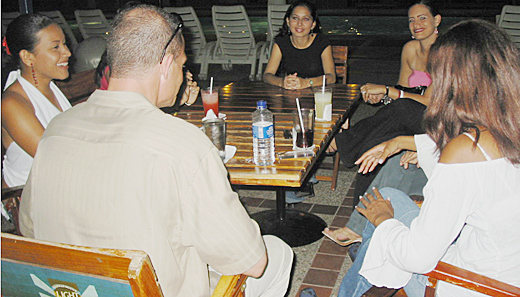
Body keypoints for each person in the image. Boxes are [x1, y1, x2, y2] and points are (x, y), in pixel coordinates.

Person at [19, 5, 293, 297]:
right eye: (182, 65)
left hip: (76, 288)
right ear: (165, 63)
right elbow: (252, 262)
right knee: (277, 253)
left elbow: (28, 229)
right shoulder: (184, 145)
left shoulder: (57, 129)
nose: (182, 74)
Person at [338, 19, 520, 297]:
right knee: (388, 195)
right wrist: (403, 143)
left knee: (383, 225)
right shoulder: (509, 125)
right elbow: (483, 174)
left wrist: (383, 221)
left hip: (475, 283)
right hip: (505, 264)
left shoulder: (464, 150)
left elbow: (418, 258)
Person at [331, 0, 440, 208]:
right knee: (374, 147)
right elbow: (402, 91)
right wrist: (383, 97)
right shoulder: (410, 49)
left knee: (401, 108)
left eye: (422, 17)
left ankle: (341, 142)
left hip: (436, 120)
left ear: (437, 20)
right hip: (408, 115)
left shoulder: (446, 52)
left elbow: (427, 101)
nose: (416, 23)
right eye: (411, 20)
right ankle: (361, 212)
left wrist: (387, 90)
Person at [1, 14, 72, 188]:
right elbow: (55, 159)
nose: (68, 52)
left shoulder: (50, 87)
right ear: (27, 57)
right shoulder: (12, 104)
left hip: (57, 189)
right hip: (25, 202)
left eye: (64, 44)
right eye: (55, 47)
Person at [263, 0, 336, 89]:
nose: (299, 23)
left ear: (313, 24)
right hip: (292, 95)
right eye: (295, 18)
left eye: (305, 19)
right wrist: (282, 82)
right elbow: (267, 75)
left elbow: (332, 77)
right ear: (288, 21)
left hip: (318, 94)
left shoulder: (322, 42)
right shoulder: (281, 42)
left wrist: (306, 83)